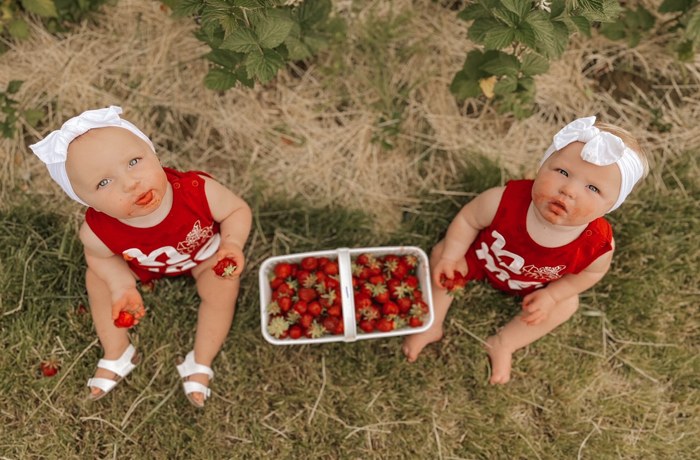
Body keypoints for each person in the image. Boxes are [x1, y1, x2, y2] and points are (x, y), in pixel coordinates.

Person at [30, 106, 252, 407]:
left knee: (223, 288)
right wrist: (121, 285)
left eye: (134, 161)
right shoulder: (98, 231)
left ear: (153, 153)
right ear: (87, 201)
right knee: (97, 278)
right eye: (104, 183)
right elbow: (102, 259)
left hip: (204, 256)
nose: (129, 182)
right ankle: (117, 349)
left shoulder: (196, 191)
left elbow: (237, 211)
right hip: (142, 264)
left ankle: (201, 359)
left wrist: (232, 243)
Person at [402, 116, 648, 384]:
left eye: (592, 188)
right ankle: (432, 323)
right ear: (542, 166)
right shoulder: (504, 200)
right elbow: (468, 220)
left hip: (537, 286)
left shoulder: (597, 245)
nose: (568, 190)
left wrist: (553, 296)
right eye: (562, 172)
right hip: (483, 258)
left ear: (610, 206)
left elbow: (589, 274)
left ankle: (504, 343)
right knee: (442, 255)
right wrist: (452, 255)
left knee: (567, 305)